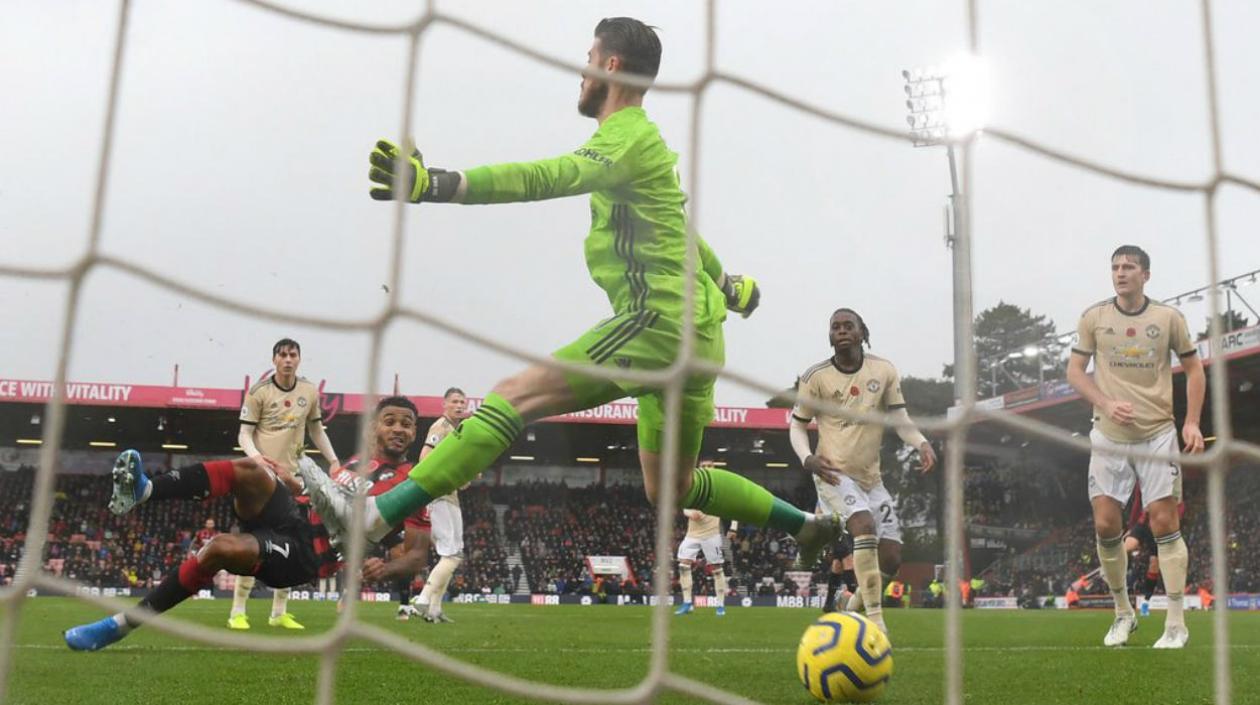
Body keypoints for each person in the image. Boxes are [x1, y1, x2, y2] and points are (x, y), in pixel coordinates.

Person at [300, 17, 839, 576]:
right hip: (699, 336)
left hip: (659, 323)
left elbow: (551, 176)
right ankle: (807, 525)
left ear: (607, 66)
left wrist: (436, 184)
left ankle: (378, 514)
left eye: (587, 57)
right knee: (671, 487)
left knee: (514, 396)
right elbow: (684, 234)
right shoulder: (643, 147)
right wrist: (728, 287)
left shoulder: (627, 134)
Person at [1067, 244, 1205, 649]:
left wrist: (1192, 421)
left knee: (1164, 521)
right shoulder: (1095, 317)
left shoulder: (1168, 318)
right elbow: (1075, 371)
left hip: (1158, 432)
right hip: (1108, 434)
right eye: (1115, 267)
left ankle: (1176, 623)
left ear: (1146, 274)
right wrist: (1106, 402)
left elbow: (1195, 369)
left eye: (1129, 267)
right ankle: (1123, 614)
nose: (1120, 273)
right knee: (1106, 524)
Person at [65, 451, 318, 651]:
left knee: (220, 548)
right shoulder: (346, 469)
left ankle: (121, 624)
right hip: (297, 512)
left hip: (306, 551)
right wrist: (297, 485)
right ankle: (145, 490)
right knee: (252, 469)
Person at [789, 308, 936, 636]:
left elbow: (900, 420)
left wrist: (922, 443)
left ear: (861, 333)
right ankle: (875, 623)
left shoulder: (883, 371)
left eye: (847, 326)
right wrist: (807, 459)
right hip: (832, 473)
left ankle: (847, 606)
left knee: (893, 558)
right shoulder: (815, 378)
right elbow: (797, 427)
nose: (841, 331)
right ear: (830, 336)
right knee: (863, 525)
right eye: (835, 327)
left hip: (872, 478)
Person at [230, 338, 340, 631]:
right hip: (262, 481)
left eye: (292, 354)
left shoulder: (308, 390)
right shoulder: (259, 392)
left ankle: (279, 612)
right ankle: (237, 611)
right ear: (274, 360)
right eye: (282, 355)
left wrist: (333, 460)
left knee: (294, 545)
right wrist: (258, 460)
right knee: (253, 543)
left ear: (299, 359)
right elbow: (243, 435)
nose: (288, 359)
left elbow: (316, 428)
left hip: (293, 479)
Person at [311, 396, 433, 621]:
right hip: (343, 535)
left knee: (398, 552)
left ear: (414, 433)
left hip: (383, 530)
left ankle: (404, 605)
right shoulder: (352, 464)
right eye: (389, 422)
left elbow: (417, 556)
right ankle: (348, 590)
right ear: (373, 427)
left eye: (406, 425)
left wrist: (384, 570)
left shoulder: (415, 481)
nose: (398, 429)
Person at [410, 388, 470, 624]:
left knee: (456, 553)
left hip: (451, 495)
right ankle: (423, 599)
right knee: (451, 554)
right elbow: (425, 457)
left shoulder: (456, 431)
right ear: (444, 404)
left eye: (462, 402)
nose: (459, 405)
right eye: (455, 401)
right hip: (438, 496)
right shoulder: (440, 427)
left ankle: (435, 608)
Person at [673, 481, 735, 617]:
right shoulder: (693, 488)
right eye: (704, 465)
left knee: (717, 569)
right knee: (683, 565)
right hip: (692, 534)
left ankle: (720, 605)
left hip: (711, 535)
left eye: (710, 465)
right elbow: (683, 505)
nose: (707, 467)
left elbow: (733, 507)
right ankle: (687, 603)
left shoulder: (719, 490)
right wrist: (689, 513)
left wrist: (733, 527)